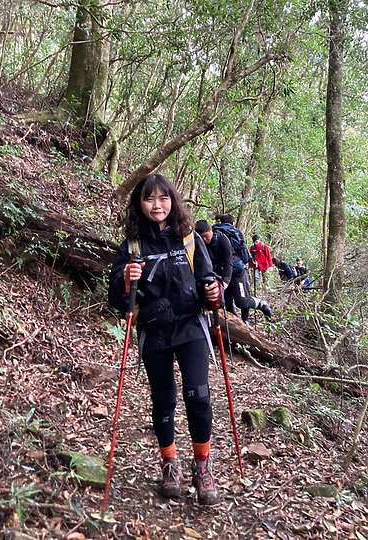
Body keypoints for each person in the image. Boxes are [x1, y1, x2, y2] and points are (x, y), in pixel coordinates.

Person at [108, 174, 221, 505]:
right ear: (139, 204)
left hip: (190, 328)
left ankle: (203, 466)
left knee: (198, 397)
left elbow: (208, 281)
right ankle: (170, 463)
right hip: (154, 331)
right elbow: (116, 298)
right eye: (149, 199)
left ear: (173, 201)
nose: (157, 206)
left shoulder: (188, 238)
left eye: (163, 198)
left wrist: (214, 292)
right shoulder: (132, 246)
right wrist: (125, 280)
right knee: (164, 400)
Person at [195, 220, 272, 325]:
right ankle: (240, 326)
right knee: (227, 305)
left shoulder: (222, 239)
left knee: (242, 302)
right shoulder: (203, 244)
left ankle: (261, 304)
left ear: (210, 230)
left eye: (205, 235)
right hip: (221, 275)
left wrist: (226, 280)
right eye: (201, 237)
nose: (204, 239)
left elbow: (228, 261)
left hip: (236, 273)